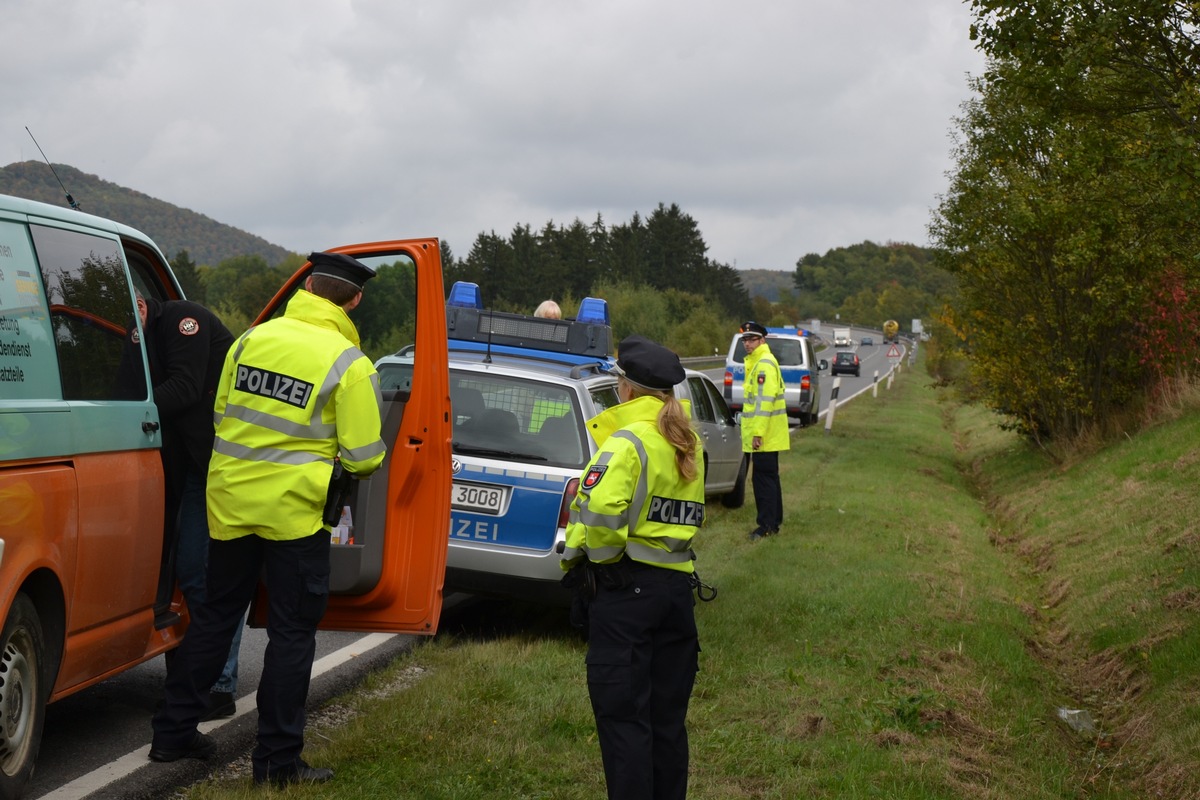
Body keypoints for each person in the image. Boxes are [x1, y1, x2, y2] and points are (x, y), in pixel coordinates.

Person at [149, 251, 386, 788]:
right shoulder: (348, 363)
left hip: (230, 506)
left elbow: (220, 414)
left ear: (307, 287)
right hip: (295, 519)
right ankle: (277, 765)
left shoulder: (251, 340)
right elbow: (366, 455)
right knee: (292, 636)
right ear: (355, 300)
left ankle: (171, 735)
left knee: (213, 617)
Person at [560, 334, 705, 800]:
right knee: (666, 722)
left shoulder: (627, 441)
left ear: (627, 389)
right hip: (676, 593)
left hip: (626, 593)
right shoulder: (687, 441)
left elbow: (600, 510)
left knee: (624, 722)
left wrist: (600, 567)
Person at [127, 292, 243, 720]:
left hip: (215, 468)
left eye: (133, 304)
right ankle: (193, 673)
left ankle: (218, 684)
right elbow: (125, 384)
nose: (130, 314)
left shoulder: (183, 319)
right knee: (190, 574)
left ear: (142, 298)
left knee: (204, 575)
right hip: (181, 469)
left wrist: (126, 412)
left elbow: (185, 388)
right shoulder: (140, 336)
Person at [738, 321, 789, 540]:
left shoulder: (764, 365)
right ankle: (774, 522)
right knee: (769, 478)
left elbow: (764, 403)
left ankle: (766, 526)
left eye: (752, 339)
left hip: (765, 435)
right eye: (745, 340)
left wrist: (757, 434)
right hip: (767, 434)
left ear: (762, 340)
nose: (748, 344)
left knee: (763, 480)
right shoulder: (759, 362)